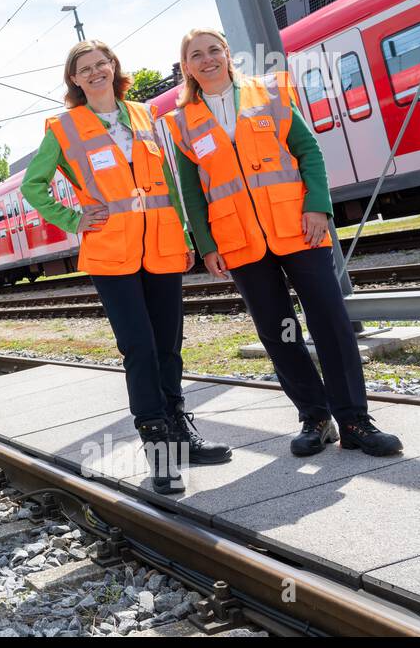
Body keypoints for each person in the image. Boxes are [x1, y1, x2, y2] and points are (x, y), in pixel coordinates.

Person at [163, 28, 402, 457]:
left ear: (227, 54)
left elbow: (308, 151)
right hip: (239, 240)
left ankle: (354, 420)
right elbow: (192, 191)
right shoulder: (181, 123)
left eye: (214, 50)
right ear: (187, 67)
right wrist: (206, 244)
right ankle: (314, 417)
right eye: (195, 55)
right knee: (277, 331)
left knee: (329, 320)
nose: (207, 59)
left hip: (298, 226)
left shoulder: (269, 92)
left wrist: (317, 206)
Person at [21, 39, 231, 494]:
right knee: (139, 348)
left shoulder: (144, 115)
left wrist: (185, 233)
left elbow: (170, 182)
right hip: (111, 254)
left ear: (114, 67)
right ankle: (160, 453)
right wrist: (73, 218)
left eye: (103, 64)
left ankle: (181, 434)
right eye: (85, 68)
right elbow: (33, 187)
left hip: (160, 246)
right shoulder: (63, 128)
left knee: (169, 346)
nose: (96, 72)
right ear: (74, 79)